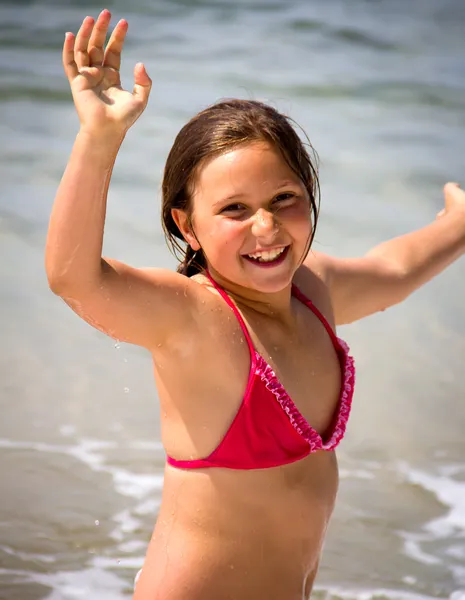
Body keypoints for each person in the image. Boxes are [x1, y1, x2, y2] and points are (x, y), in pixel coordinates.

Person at [45, 9, 465, 600]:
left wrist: (459, 223)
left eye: (284, 197)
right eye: (234, 209)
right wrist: (99, 138)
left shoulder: (313, 291)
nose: (266, 227)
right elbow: (74, 279)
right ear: (186, 226)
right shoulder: (194, 318)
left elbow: (394, 270)